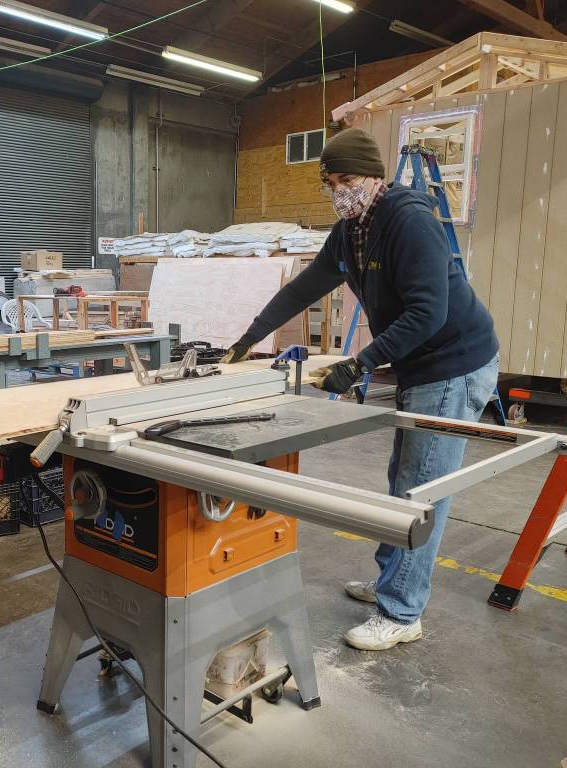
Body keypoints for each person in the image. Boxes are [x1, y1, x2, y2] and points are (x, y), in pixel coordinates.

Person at [221, 128, 500, 652]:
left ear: (374, 177)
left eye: (346, 180)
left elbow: (427, 312)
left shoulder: (408, 220)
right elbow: (307, 286)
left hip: (453, 363)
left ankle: (402, 612)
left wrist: (361, 363)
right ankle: (392, 581)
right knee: (403, 480)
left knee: (422, 491)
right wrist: (249, 338)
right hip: (420, 365)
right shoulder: (352, 227)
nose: (338, 191)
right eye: (330, 183)